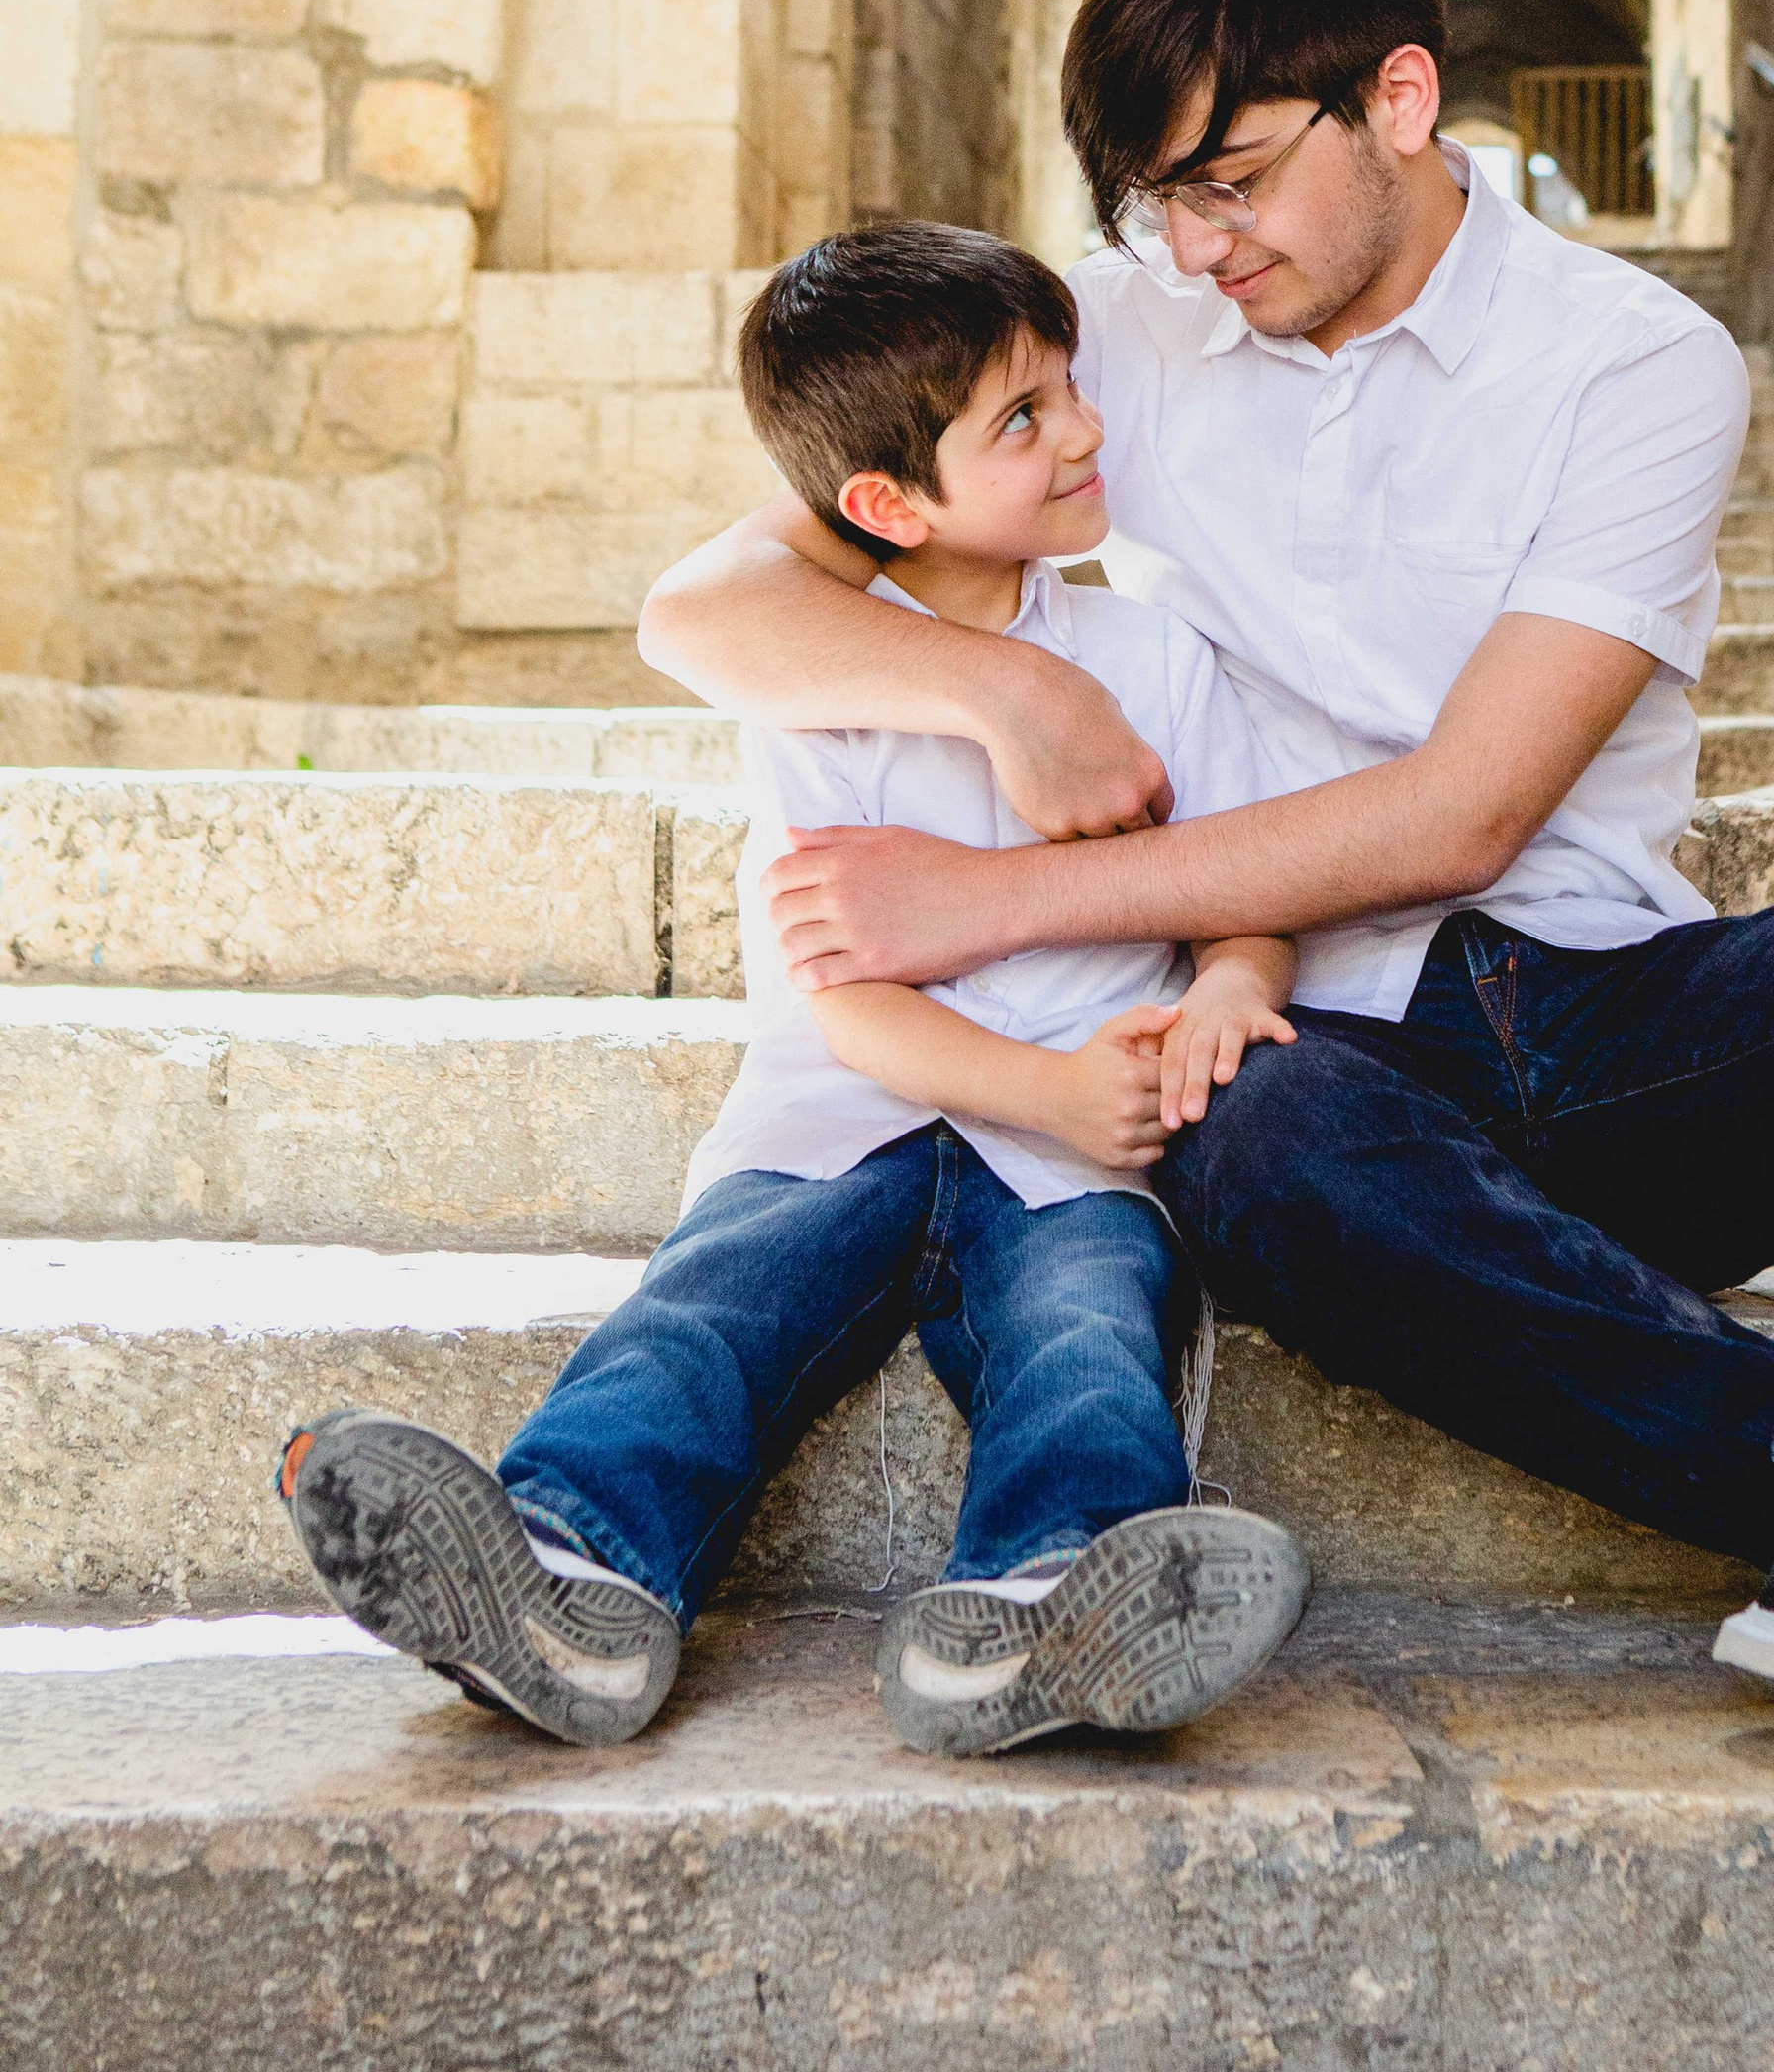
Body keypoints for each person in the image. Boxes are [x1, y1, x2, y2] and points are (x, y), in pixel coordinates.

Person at [639, 0, 1774, 1800]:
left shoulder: (1634, 366)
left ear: (1393, 97)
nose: (1192, 248)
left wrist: (999, 899)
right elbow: (698, 608)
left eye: (1228, 182)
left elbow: (1462, 817)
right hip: (1309, 1044)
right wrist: (1002, 686)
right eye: (1154, 200)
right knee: (1241, 1125)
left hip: (1609, 1016)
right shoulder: (1103, 337)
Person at [278, 221, 1311, 1757]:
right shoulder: (827, 679)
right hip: (855, 1115)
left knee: (1089, 1334)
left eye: (1070, 390)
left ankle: (1051, 1597)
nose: (1087, 431)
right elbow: (842, 1002)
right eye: (1022, 419)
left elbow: (1250, 881)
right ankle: (570, 1571)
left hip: (1076, 1154)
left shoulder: (1152, 658)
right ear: (889, 501)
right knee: (704, 1317)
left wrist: (1233, 985)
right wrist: (1043, 1090)